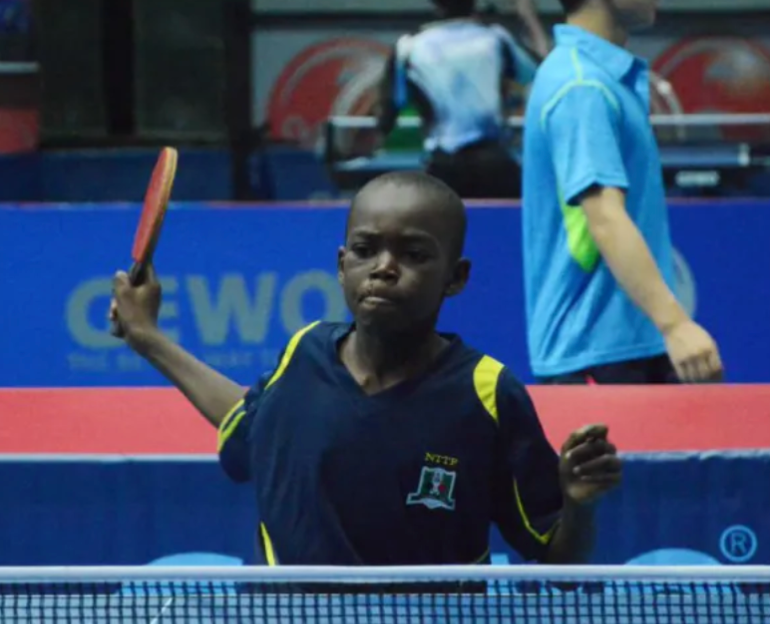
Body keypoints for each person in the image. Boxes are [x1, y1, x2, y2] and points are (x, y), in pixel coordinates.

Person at [110, 172, 621, 567]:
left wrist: (580, 505)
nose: (383, 267)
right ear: (340, 264)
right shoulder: (303, 353)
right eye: (364, 249)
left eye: (414, 254)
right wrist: (148, 338)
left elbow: (559, 564)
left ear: (455, 277)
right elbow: (252, 425)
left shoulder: (486, 393)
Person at [521, 0, 724, 385]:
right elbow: (606, 218)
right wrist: (676, 325)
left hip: (628, 344)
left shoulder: (599, 76)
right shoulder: (581, 86)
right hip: (594, 353)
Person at [375, 0, 546, 199]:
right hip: (495, 164)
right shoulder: (495, 38)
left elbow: (387, 113)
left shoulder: (410, 46)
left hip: (444, 166)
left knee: (443, 228)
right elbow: (541, 73)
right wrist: (529, 18)